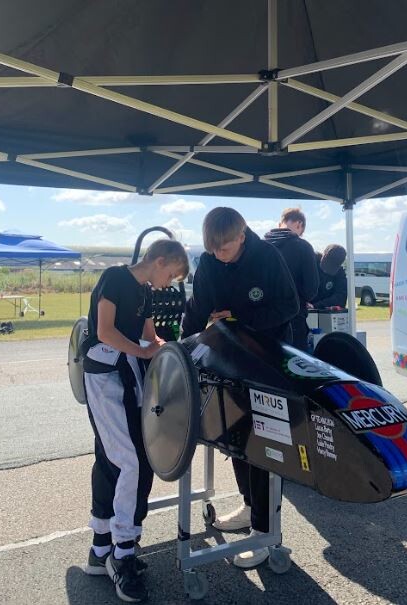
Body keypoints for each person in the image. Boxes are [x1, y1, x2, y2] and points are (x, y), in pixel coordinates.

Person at [181, 207, 299, 569]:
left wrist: (237, 317)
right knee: (236, 437)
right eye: (213, 248)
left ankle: (265, 531)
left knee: (264, 445)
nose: (220, 254)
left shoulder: (267, 256)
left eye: (226, 247)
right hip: (229, 363)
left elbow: (289, 306)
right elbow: (197, 309)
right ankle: (249, 507)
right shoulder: (209, 263)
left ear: (242, 236)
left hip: (268, 363)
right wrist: (181, 349)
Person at [82, 239, 189, 603]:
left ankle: (101, 548)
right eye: (170, 274)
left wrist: (170, 348)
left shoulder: (145, 292)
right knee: (130, 461)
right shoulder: (115, 278)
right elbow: (105, 331)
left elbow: (149, 336)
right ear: (159, 261)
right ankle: (122, 551)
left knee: (117, 458)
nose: (168, 283)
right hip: (105, 377)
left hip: (127, 376)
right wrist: (143, 352)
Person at [264, 207, 319, 350]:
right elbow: (311, 289)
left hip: (262, 320)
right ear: (299, 224)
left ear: (280, 223)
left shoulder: (260, 246)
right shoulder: (303, 247)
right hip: (293, 319)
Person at [310, 244, 348, 309]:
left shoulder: (340, 273)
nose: (325, 271)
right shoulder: (311, 262)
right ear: (323, 255)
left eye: (330, 268)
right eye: (325, 266)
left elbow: (340, 298)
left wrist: (316, 305)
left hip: (324, 310)